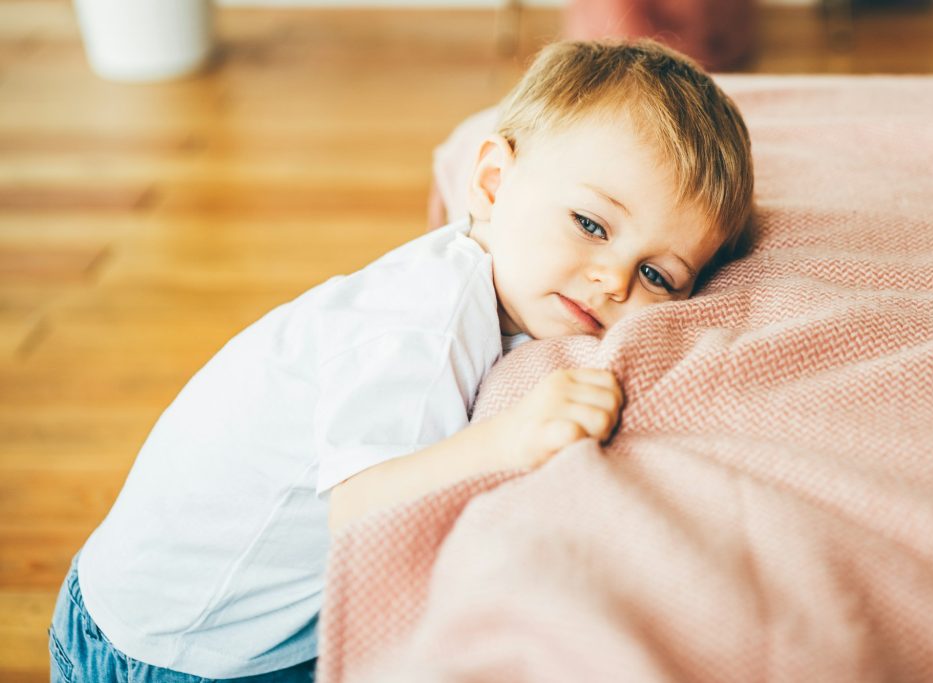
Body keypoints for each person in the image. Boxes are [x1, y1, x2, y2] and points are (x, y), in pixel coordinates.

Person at [48, 38, 754, 682]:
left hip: (180, 613)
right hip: (165, 650)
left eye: (658, 275)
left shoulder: (495, 282)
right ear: (491, 184)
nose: (613, 281)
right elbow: (361, 506)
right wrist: (510, 438)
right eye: (592, 224)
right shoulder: (426, 324)